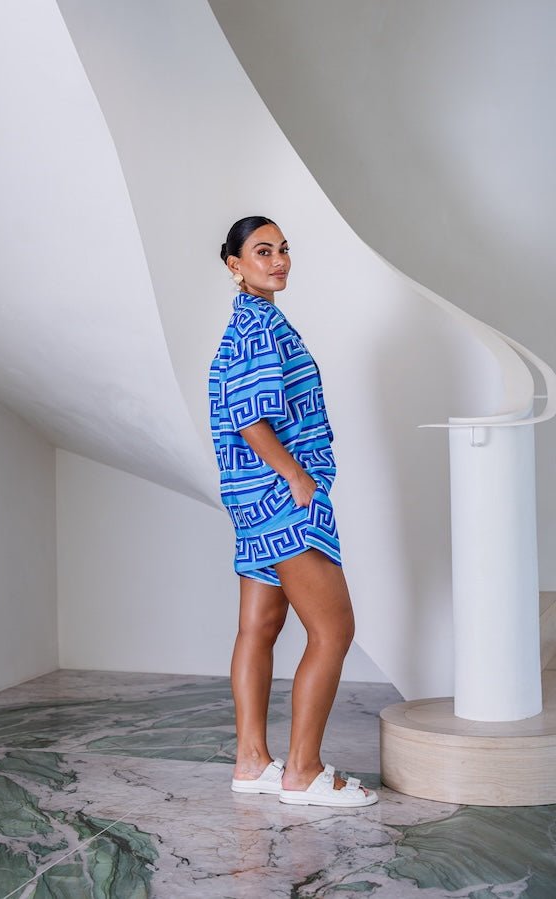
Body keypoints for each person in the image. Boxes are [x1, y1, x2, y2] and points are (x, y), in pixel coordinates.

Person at [209, 216, 378, 808]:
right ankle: (303, 772)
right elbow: (250, 417)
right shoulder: (257, 326)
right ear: (235, 264)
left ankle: (251, 761)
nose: (278, 260)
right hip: (282, 499)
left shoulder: (248, 322)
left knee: (258, 627)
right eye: (262, 251)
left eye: (283, 249)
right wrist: (297, 476)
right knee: (334, 630)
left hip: (251, 500)